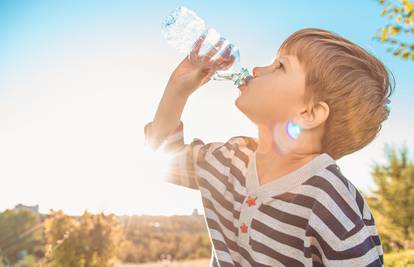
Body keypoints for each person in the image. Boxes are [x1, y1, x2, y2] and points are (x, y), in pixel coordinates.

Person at [144, 28, 393, 267]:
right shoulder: (231, 160)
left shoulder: (330, 201)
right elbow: (164, 159)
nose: (256, 69)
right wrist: (177, 89)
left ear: (309, 113)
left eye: (280, 66)